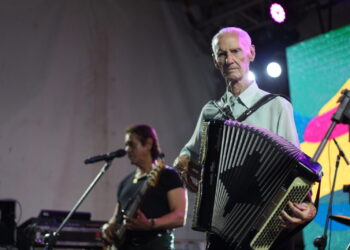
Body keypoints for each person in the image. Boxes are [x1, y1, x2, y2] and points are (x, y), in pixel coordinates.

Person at [173, 27, 316, 249]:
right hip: (219, 230)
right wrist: (181, 159)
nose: (229, 59)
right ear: (215, 61)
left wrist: (309, 205)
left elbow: (295, 167)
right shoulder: (210, 111)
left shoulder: (276, 106)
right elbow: (189, 152)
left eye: (236, 51)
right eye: (222, 54)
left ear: (251, 53)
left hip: (264, 227)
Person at [102, 124, 188, 250]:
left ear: (148, 144)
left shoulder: (168, 175)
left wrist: (150, 224)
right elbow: (116, 218)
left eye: (131, 144)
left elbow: (180, 216)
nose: (127, 150)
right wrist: (107, 227)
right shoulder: (125, 182)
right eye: (126, 145)